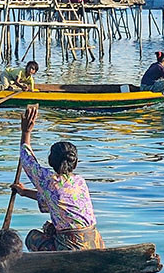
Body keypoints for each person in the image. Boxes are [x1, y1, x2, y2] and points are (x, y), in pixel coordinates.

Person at [12, 104, 101, 252]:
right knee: (49, 227)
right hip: (95, 242)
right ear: (75, 163)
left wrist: (26, 132)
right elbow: (53, 200)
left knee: (32, 237)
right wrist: (24, 192)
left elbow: (27, 160)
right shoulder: (79, 182)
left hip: (70, 247)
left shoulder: (50, 181)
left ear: (51, 161)